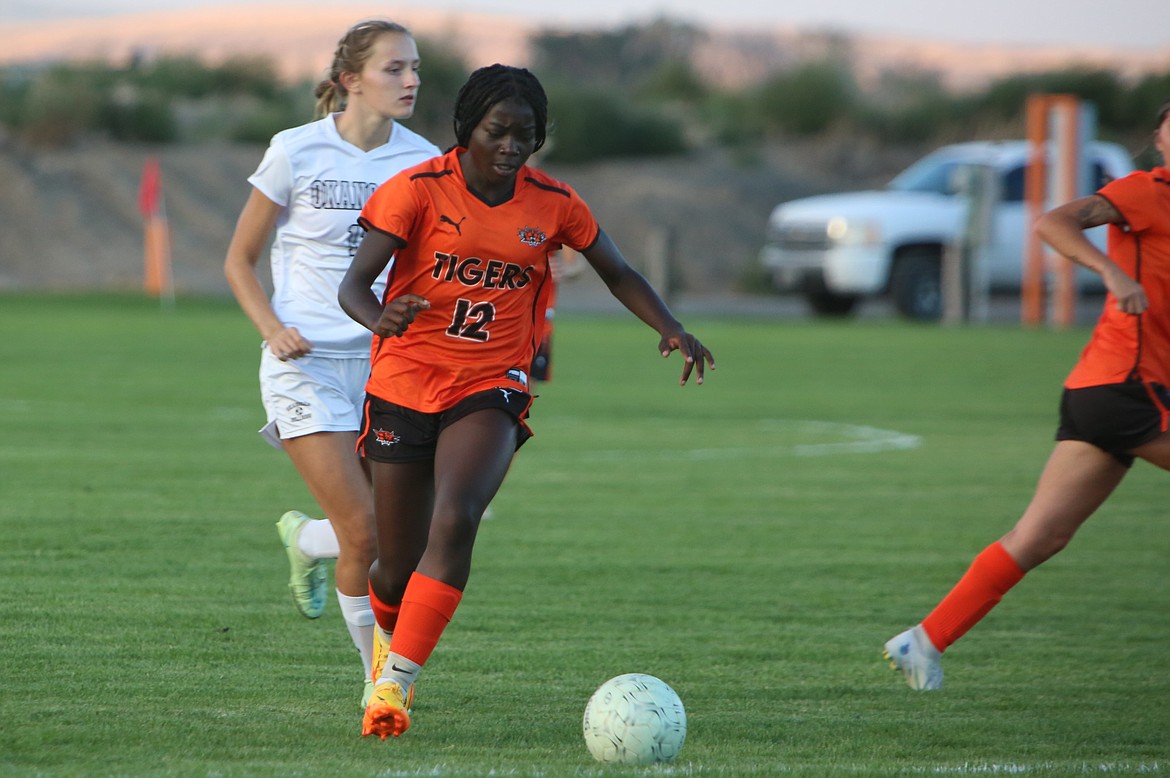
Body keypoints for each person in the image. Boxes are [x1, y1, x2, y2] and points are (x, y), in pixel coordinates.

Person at [338, 63, 715, 739]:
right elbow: (355, 286)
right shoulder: (415, 191)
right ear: (467, 130)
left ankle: (395, 683)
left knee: (457, 518)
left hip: (491, 385)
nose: (512, 145)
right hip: (403, 382)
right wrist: (380, 318)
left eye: (526, 134)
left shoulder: (555, 203)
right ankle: (385, 657)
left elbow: (618, 271)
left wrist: (671, 328)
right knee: (394, 565)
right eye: (498, 131)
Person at [884, 99, 1170, 691]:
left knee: (1040, 536)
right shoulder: (1147, 191)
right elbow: (1052, 223)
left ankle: (925, 640)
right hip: (1127, 387)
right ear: (1160, 142)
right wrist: (1111, 273)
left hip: (1104, 389)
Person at [223, 20, 440, 707]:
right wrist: (273, 328)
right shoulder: (295, 150)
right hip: (306, 365)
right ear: (351, 80)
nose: (411, 81)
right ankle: (382, 686)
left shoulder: (424, 160)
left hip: (389, 369)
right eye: (395, 69)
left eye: (415, 69)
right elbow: (238, 260)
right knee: (370, 532)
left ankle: (304, 539)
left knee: (385, 536)